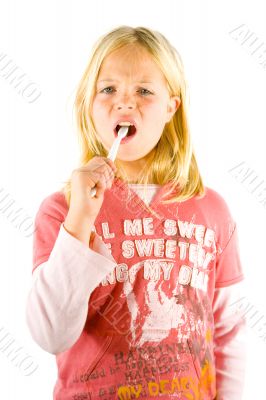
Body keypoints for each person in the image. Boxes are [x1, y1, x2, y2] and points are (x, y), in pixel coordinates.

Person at [25, 25, 246, 400]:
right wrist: (79, 221)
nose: (125, 103)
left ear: (170, 108)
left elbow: (228, 335)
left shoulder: (212, 211)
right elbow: (51, 334)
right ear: (89, 104)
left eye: (144, 91)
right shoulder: (62, 211)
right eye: (108, 89)